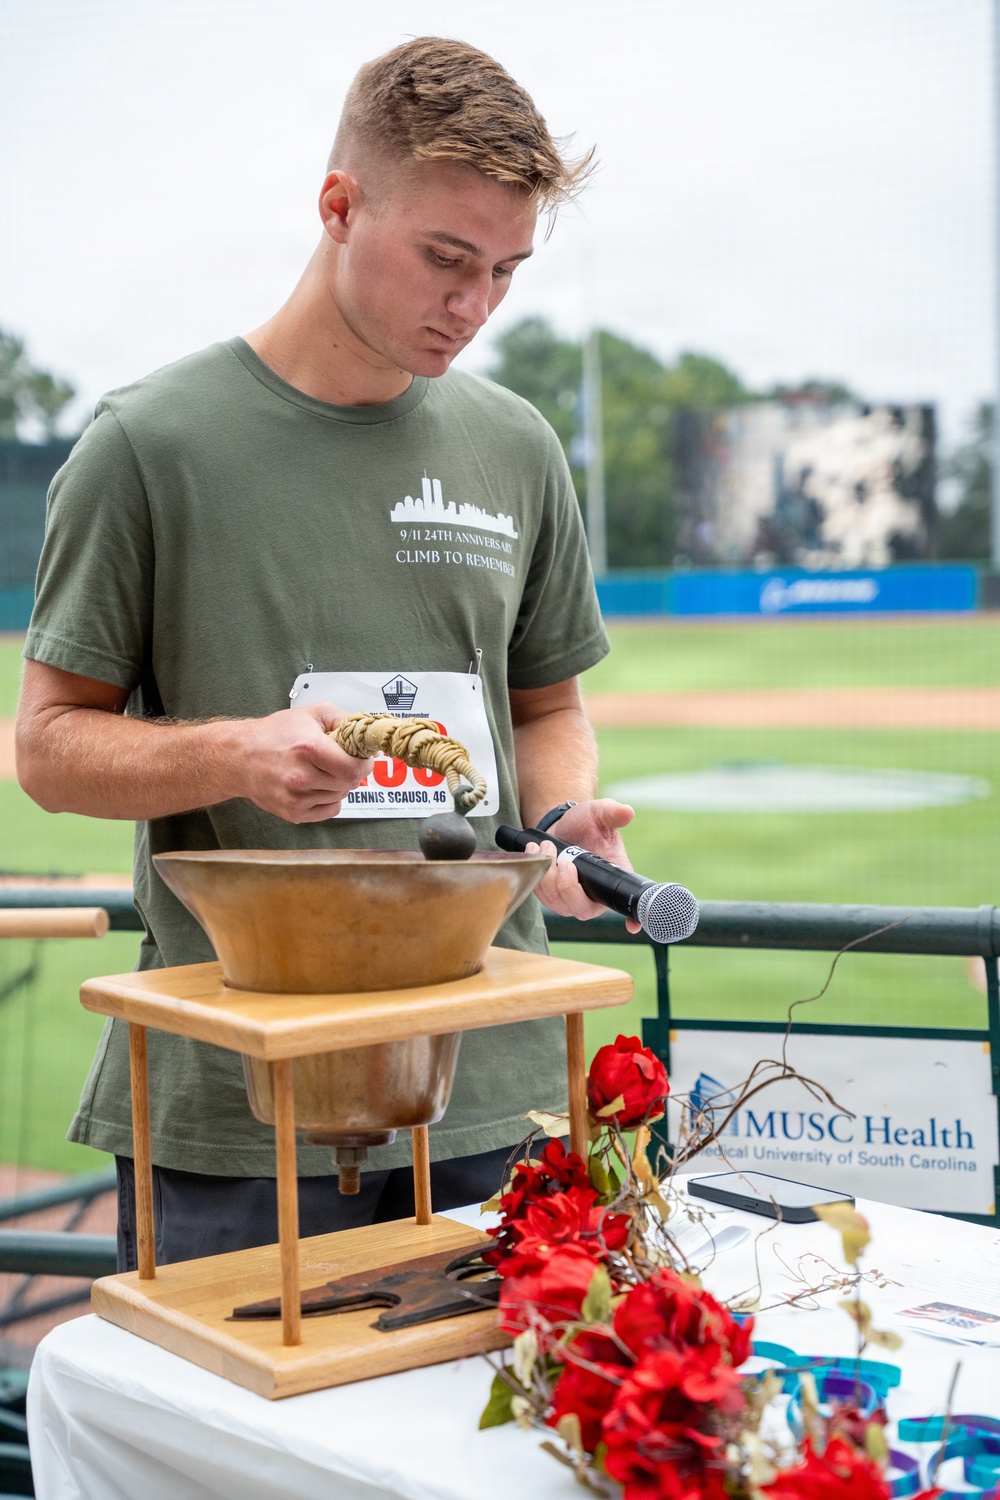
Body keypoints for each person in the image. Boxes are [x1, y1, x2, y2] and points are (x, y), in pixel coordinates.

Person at [15, 36, 637, 1271]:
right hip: (240, 1104)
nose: (472, 306)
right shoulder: (150, 444)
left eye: (505, 271)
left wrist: (557, 815)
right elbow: (46, 749)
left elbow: (547, 700)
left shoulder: (514, 446)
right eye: (446, 260)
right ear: (340, 205)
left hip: (498, 1080)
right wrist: (237, 753)